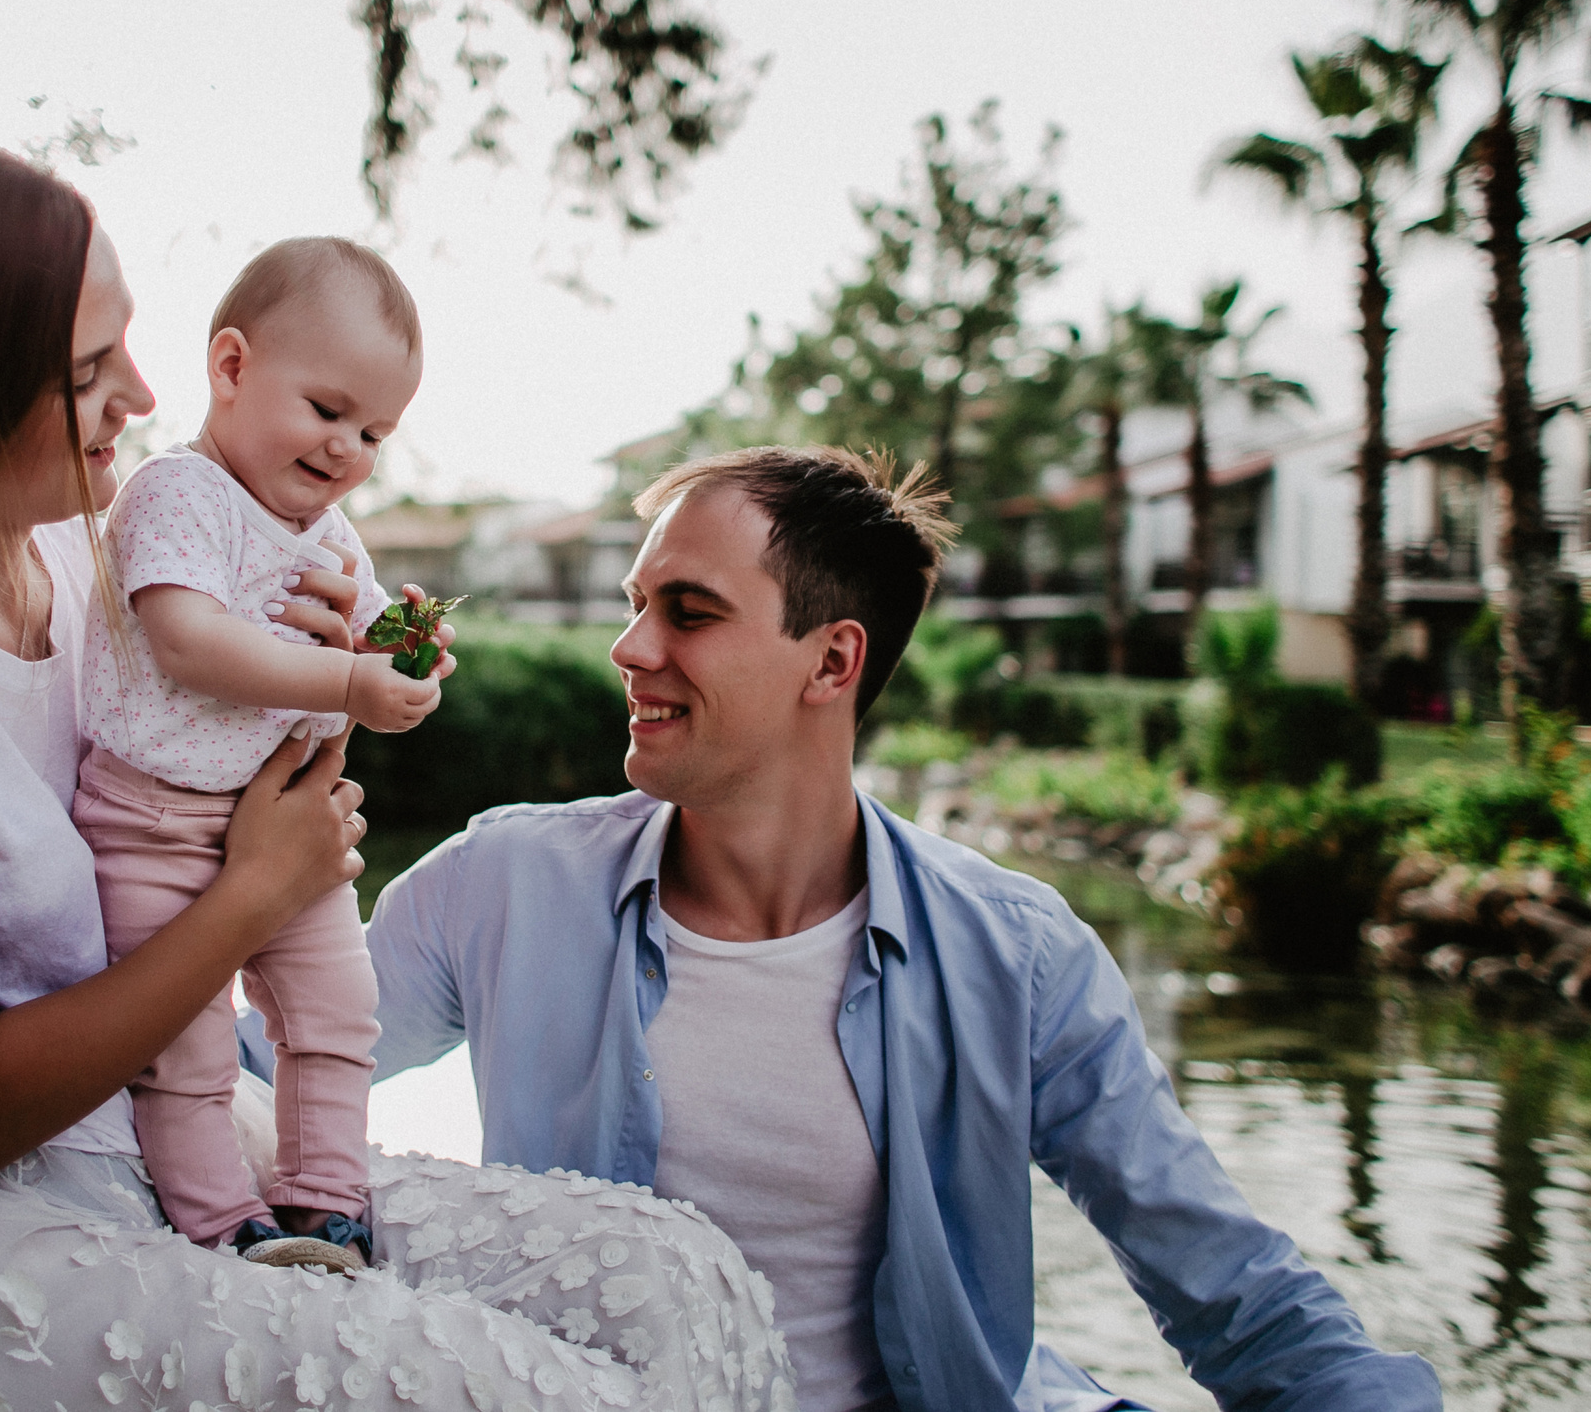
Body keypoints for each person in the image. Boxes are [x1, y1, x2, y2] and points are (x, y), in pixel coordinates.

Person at [0, 134, 789, 1412]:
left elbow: (246, 737)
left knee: (680, 1277)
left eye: (129, 346)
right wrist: (252, 900)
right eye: (91, 370)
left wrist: (350, 661)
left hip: (148, 1138)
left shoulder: (84, 572)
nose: (144, 396)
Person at [362, 446, 1444, 1412]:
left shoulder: (1018, 957)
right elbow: (248, 1077)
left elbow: (1232, 1292)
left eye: (688, 611)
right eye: (636, 601)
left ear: (831, 662)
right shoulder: (500, 885)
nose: (628, 647)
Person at [75, 237, 443, 1272]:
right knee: (184, 1043)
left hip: (283, 821)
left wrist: (403, 665)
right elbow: (190, 642)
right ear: (230, 368)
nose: (345, 450)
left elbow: (362, 659)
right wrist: (345, 684)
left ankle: (327, 1198)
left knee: (338, 1008)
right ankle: (217, 1224)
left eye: (374, 431)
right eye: (326, 411)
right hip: (151, 821)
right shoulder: (176, 495)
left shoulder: (331, 532)